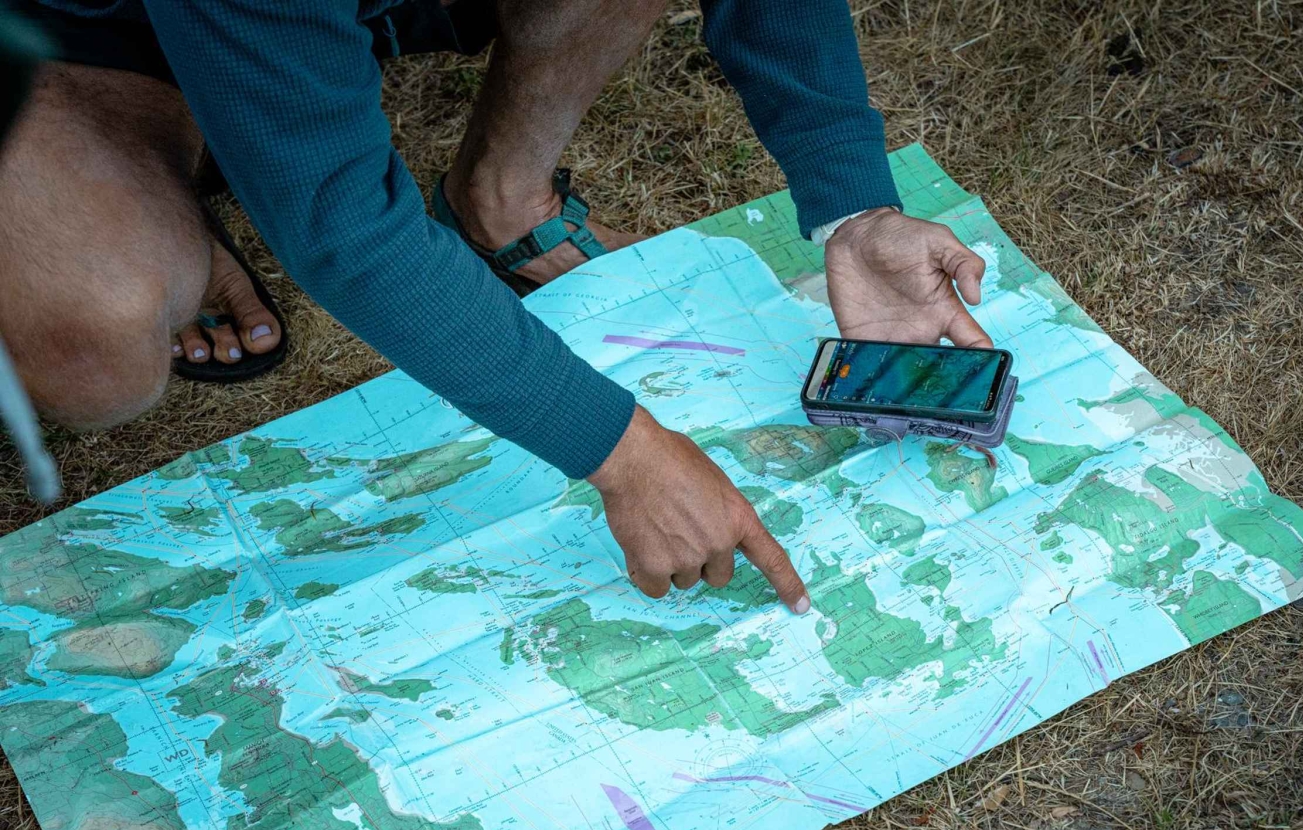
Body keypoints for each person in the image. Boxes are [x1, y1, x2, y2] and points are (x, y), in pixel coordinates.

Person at [0, 0, 993, 612]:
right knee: (99, 340)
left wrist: (852, 202)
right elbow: (343, 224)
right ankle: (164, 159)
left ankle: (496, 199)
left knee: (285, 96)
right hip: (90, 34)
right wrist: (626, 453)